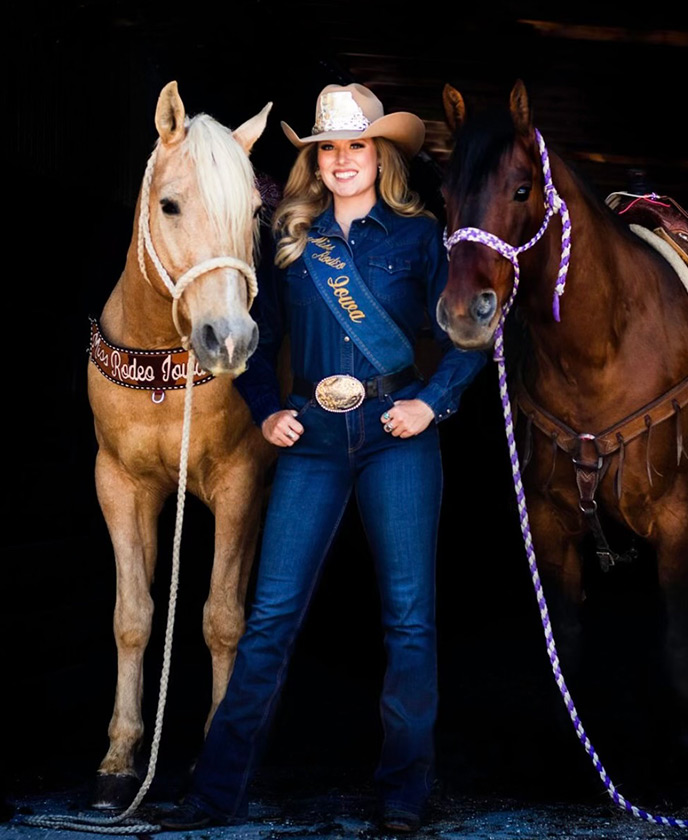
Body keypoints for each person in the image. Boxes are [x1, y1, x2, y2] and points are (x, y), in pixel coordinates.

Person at [159, 83, 486, 834]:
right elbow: (257, 339)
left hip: (395, 435)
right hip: (308, 438)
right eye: (328, 148)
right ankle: (215, 796)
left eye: (356, 146)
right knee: (270, 616)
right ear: (315, 160)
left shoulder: (420, 238)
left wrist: (432, 402)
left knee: (407, 621)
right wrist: (265, 410)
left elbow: (472, 331)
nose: (342, 160)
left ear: (381, 156)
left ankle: (403, 797)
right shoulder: (287, 236)